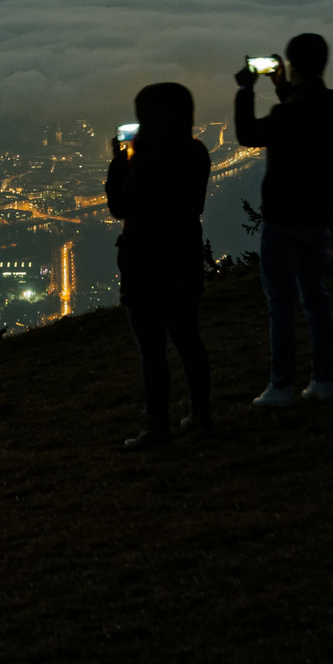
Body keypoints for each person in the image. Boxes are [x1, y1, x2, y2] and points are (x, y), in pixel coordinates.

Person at [233, 33, 333, 406]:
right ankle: (323, 380)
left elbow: (247, 133)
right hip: (317, 215)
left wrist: (245, 90)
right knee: (316, 298)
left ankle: (281, 386)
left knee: (281, 305)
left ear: (292, 64)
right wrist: (284, 88)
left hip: (282, 218)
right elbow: (306, 113)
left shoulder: (288, 114)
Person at [105, 82, 213, 450]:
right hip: (184, 256)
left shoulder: (147, 161)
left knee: (151, 350)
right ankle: (202, 414)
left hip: (146, 262)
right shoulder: (196, 152)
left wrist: (120, 161)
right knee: (188, 340)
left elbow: (121, 206)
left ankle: (157, 426)